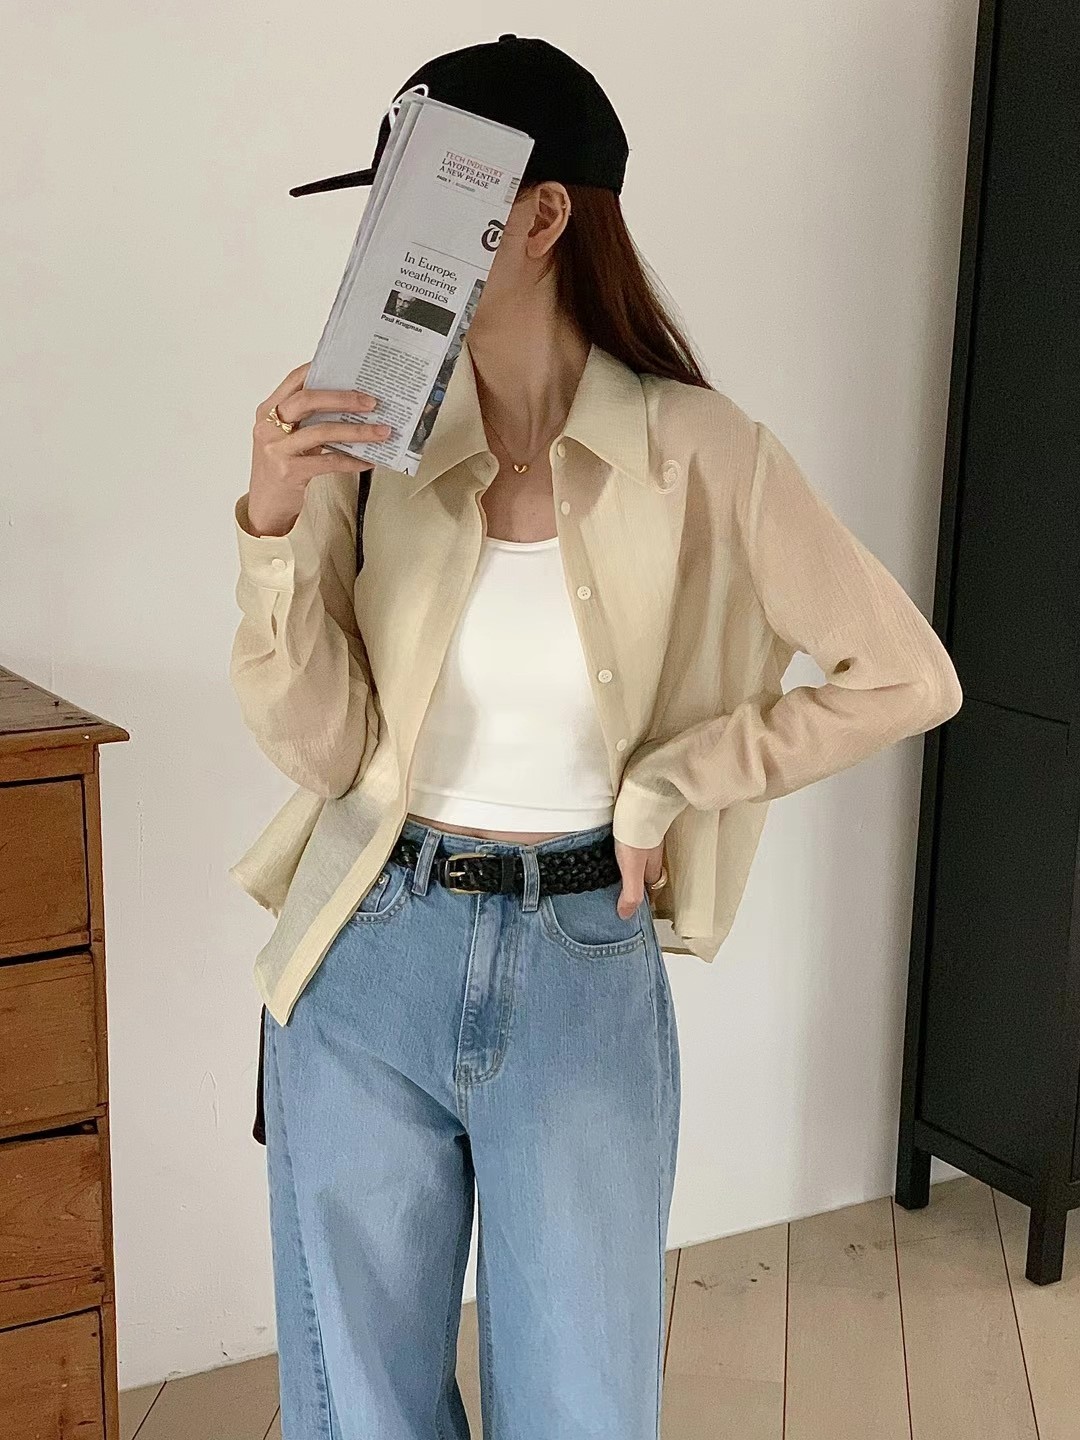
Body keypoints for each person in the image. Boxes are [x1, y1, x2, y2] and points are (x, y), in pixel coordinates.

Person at [229, 34, 963, 1440]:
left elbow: (904, 676)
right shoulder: (363, 438)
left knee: (582, 1406)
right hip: (364, 948)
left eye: (426, 197)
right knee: (359, 1413)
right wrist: (273, 515)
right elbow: (319, 749)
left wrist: (675, 781)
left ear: (543, 215)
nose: (385, 241)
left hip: (581, 964)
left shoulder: (702, 452)